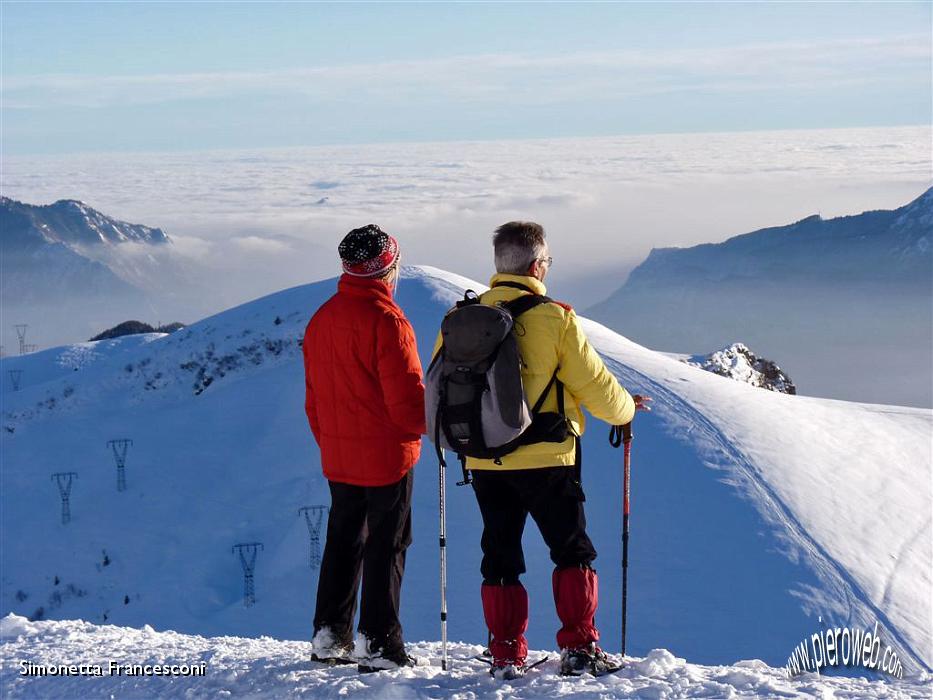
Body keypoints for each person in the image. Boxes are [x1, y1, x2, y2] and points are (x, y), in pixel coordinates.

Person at [444, 221, 650, 679]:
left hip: (483, 457)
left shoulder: (462, 319)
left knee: (499, 553)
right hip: (547, 456)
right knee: (570, 549)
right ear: (537, 265)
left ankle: (505, 652)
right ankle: (579, 647)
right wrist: (625, 412)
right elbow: (595, 386)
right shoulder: (554, 318)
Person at [302, 224, 425, 673]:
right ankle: (380, 643)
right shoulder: (389, 322)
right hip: (388, 456)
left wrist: (333, 442)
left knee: (343, 541)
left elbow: (314, 400)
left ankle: (330, 635)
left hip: (339, 456)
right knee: (387, 545)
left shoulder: (323, 318)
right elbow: (408, 406)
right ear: (388, 267)